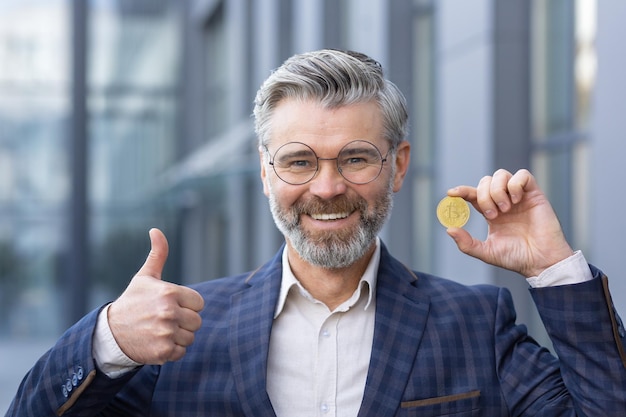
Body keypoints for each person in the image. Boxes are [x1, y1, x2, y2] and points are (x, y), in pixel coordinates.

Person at [6, 49, 626, 417]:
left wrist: (554, 267)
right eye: (300, 161)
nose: (327, 188)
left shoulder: (475, 325)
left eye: (355, 158)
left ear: (397, 166)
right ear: (265, 171)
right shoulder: (181, 333)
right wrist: (108, 337)